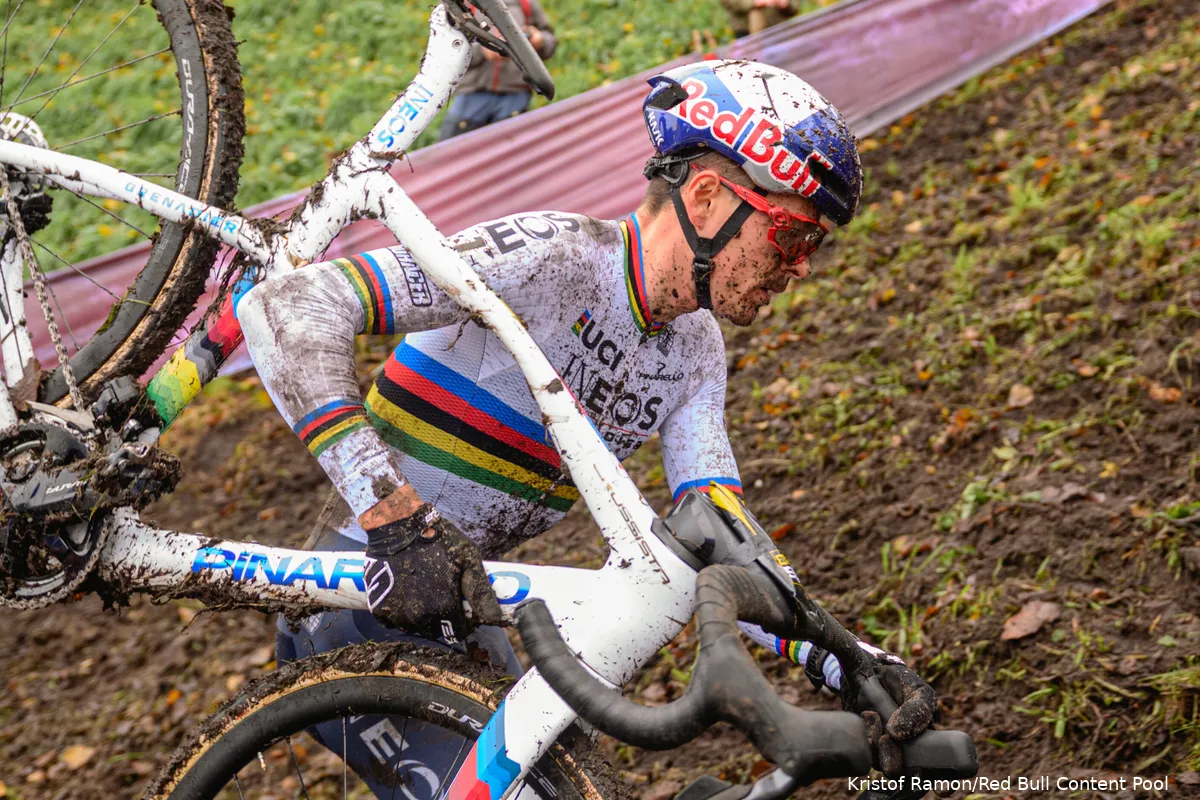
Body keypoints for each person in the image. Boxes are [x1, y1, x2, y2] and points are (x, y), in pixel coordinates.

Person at [238, 59, 936, 797]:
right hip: (357, 601)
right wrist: (393, 518)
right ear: (705, 198)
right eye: (792, 238)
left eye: (813, 249)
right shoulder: (555, 257)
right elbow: (287, 309)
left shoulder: (697, 352)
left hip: (465, 612)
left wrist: (846, 658)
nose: (798, 270)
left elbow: (718, 542)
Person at [437, 0, 556, 140]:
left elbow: (550, 40)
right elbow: (443, 50)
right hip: (472, 95)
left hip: (514, 98)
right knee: (454, 153)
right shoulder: (460, 3)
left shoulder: (525, 3)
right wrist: (482, 51)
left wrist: (540, 40)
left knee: (511, 159)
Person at [721, 0, 801, 38]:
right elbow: (728, 2)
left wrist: (786, 3)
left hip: (779, 30)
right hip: (746, 32)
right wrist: (755, 2)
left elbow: (795, 6)